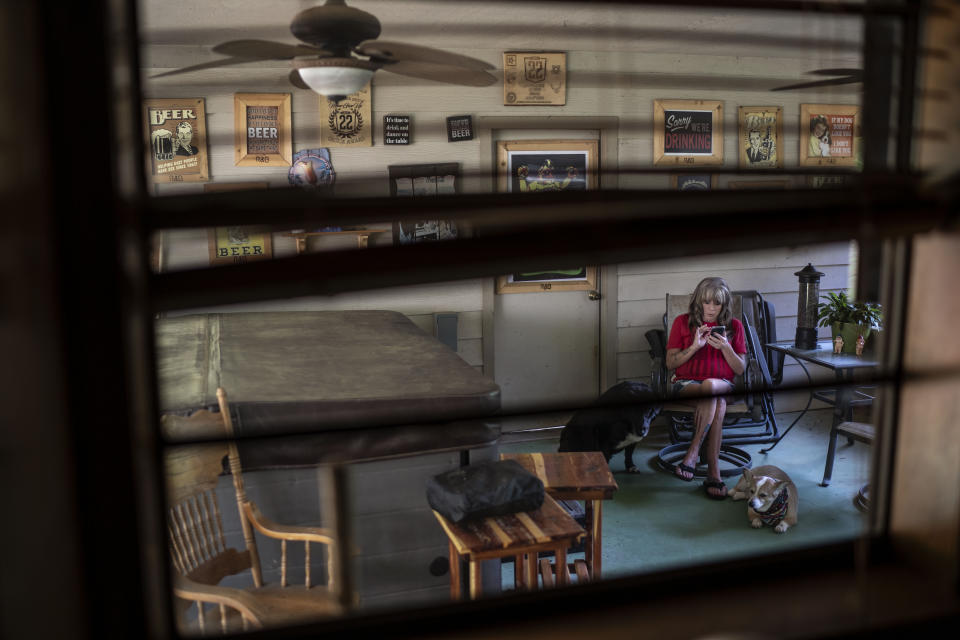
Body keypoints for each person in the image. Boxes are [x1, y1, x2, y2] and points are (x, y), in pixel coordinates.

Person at [666, 277, 747, 499]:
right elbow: (670, 364)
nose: (711, 309)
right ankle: (714, 472)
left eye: (717, 304)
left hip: (723, 385)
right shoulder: (682, 322)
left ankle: (692, 453)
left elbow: (739, 369)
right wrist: (694, 346)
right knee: (716, 399)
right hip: (686, 385)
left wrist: (726, 348)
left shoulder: (734, 327)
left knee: (712, 386)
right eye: (707, 302)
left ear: (724, 305)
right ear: (698, 302)